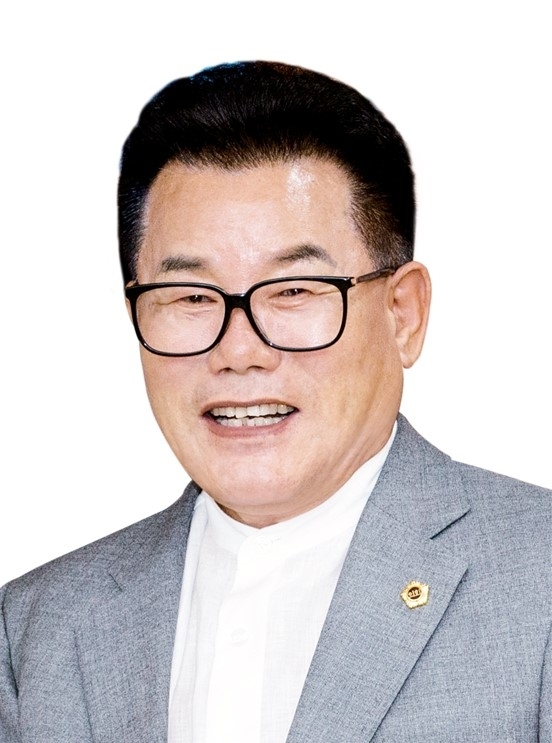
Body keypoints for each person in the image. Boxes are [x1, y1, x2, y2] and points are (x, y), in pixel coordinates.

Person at [1, 61, 550, 743]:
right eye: (191, 296)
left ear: (403, 313)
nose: (239, 350)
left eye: (293, 290)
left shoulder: (539, 579)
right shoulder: (36, 631)